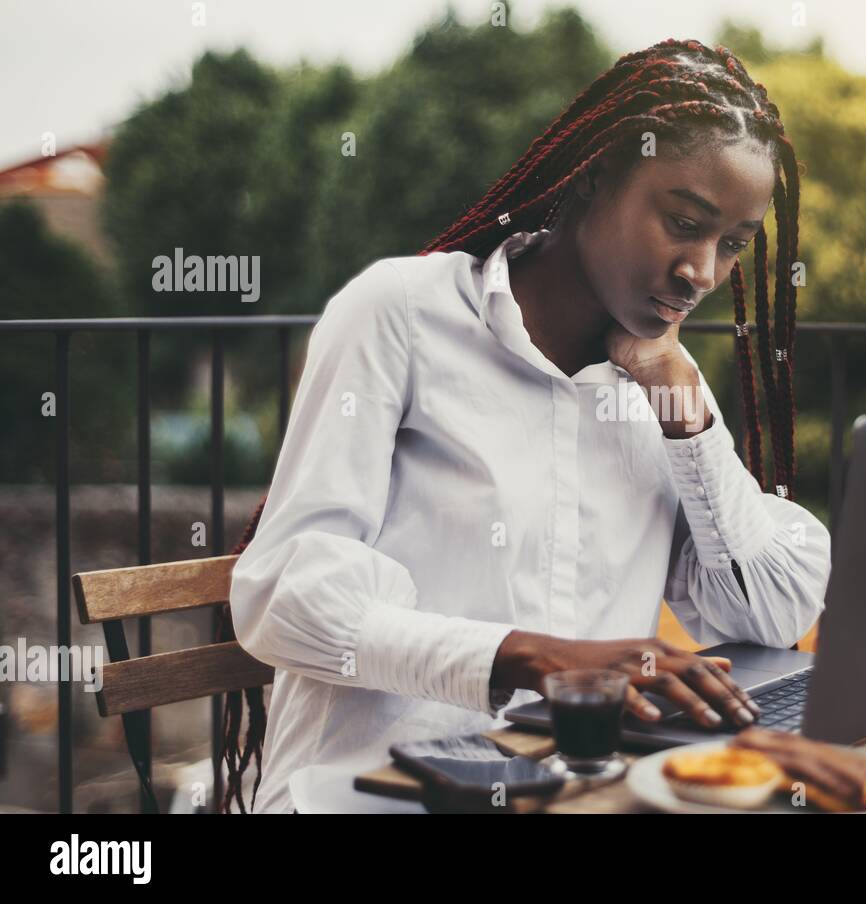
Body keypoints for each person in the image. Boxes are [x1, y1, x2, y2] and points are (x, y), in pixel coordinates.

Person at [222, 37, 830, 814]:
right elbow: (281, 595)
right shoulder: (400, 316)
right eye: (684, 222)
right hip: (365, 791)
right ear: (596, 177)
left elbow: (769, 617)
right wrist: (536, 659)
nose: (702, 272)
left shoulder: (659, 391)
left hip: (573, 795)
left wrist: (682, 403)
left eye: (733, 246)